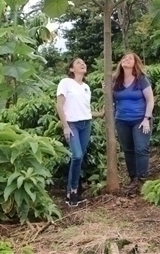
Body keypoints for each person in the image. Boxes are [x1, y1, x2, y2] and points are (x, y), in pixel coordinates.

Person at [112, 52, 155, 193]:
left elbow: (150, 100)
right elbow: (111, 100)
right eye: (124, 58)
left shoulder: (141, 79)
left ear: (135, 63)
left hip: (140, 120)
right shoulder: (116, 80)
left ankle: (142, 180)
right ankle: (133, 179)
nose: (126, 59)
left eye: (130, 58)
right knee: (128, 150)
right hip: (122, 120)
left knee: (141, 148)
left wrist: (147, 119)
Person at [56, 57, 92, 207]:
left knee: (80, 157)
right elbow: (59, 105)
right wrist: (65, 126)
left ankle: (74, 192)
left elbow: (84, 109)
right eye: (78, 63)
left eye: (83, 62)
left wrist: (101, 113)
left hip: (86, 124)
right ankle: (71, 191)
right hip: (72, 125)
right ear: (72, 69)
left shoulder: (86, 87)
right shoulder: (65, 83)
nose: (82, 64)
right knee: (76, 155)